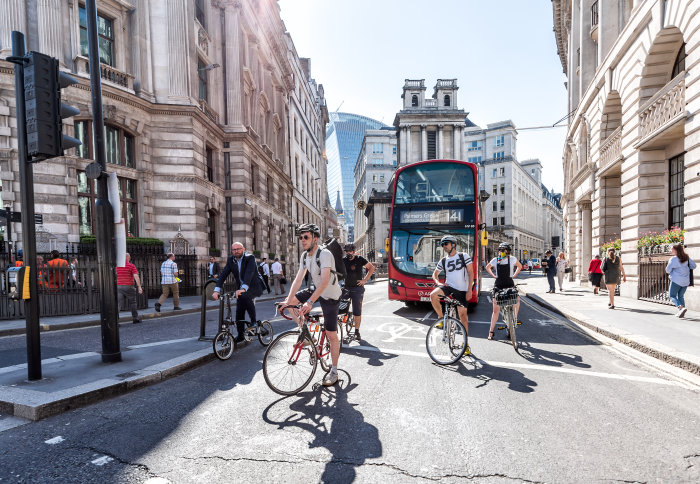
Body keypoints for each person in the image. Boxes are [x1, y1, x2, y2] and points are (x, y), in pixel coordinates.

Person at [282, 223, 342, 386]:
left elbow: (324, 282)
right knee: (291, 305)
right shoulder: (304, 256)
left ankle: (334, 371)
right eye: (301, 237)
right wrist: (288, 300)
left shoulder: (325, 254)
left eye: (306, 237)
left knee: (331, 335)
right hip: (316, 289)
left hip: (330, 295)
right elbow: (298, 279)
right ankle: (309, 337)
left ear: (315, 238)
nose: (302, 240)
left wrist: (309, 302)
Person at [429, 235, 474, 354]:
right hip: (448, 287)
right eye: (442, 244)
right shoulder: (443, 260)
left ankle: (466, 344)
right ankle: (440, 317)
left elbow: (470, 272)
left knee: (463, 316)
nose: (444, 246)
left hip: (462, 290)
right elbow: (435, 274)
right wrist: (438, 282)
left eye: (446, 244)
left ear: (453, 244)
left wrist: (470, 290)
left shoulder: (463, 256)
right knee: (433, 295)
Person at [212, 242, 265, 343]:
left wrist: (244, 288)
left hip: (254, 286)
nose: (236, 251)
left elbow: (249, 273)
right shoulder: (231, 260)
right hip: (240, 289)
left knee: (246, 297)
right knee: (239, 311)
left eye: (238, 249)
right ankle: (240, 334)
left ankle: (253, 322)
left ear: (243, 249)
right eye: (234, 250)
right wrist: (216, 290)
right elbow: (224, 274)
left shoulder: (250, 258)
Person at [485, 242, 522, 340]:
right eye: (502, 250)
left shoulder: (513, 259)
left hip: (509, 284)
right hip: (499, 285)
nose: (503, 252)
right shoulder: (495, 260)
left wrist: (514, 275)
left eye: (505, 250)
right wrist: (493, 276)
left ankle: (514, 318)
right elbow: (487, 267)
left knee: (517, 300)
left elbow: (520, 266)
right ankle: (491, 332)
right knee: (496, 309)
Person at [343, 243, 375, 341]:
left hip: (357, 289)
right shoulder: (343, 260)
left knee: (357, 311)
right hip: (346, 287)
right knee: (338, 306)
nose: (348, 253)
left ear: (353, 251)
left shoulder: (360, 259)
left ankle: (357, 331)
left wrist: (365, 280)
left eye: (350, 251)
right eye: (346, 251)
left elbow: (372, 267)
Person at [665, 244, 696, 318]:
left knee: (672, 295)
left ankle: (680, 308)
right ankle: (681, 311)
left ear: (676, 250)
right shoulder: (686, 258)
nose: (670, 250)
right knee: (681, 296)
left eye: (672, 249)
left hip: (676, 280)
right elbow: (694, 266)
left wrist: (674, 269)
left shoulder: (673, 259)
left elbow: (667, 270)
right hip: (685, 281)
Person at [116, 253, 143, 324]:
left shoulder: (117, 266)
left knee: (118, 304)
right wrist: (139, 287)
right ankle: (135, 318)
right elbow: (136, 276)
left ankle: (115, 321)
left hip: (119, 286)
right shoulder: (131, 266)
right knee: (133, 303)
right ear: (128, 258)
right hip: (129, 286)